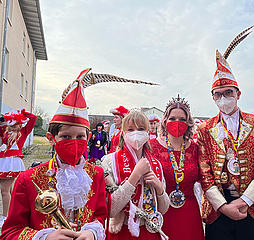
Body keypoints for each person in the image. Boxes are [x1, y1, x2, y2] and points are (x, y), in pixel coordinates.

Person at [0, 69, 107, 240]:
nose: (74, 141)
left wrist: (92, 232)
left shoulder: (97, 174)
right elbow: (9, 232)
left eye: (80, 136)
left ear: (88, 137)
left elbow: (101, 217)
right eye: (65, 137)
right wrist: (44, 238)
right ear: (51, 138)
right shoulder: (28, 179)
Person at [197, 25, 254, 240]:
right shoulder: (204, 129)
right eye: (218, 94)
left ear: (238, 94)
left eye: (228, 92)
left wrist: (245, 201)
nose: (224, 98)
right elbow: (204, 172)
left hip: (253, 207)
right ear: (213, 98)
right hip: (218, 209)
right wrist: (223, 206)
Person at [101, 111, 169, 239]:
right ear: (123, 133)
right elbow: (111, 209)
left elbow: (164, 209)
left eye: (141, 129)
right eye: (130, 129)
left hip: (149, 231)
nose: (136, 133)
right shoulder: (109, 161)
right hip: (121, 232)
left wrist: (159, 188)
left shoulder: (155, 164)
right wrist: (135, 176)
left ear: (148, 133)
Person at [149, 95, 204, 240]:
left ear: (188, 123)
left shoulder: (195, 148)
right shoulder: (151, 146)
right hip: (162, 211)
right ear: (165, 120)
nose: (177, 123)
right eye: (172, 118)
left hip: (190, 211)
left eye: (182, 119)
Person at [0, 109, 36, 227]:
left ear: (20, 124)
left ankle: (5, 218)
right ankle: (9, 215)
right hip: (4, 161)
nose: (14, 127)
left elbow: (33, 118)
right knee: (8, 190)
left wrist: (24, 114)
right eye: (12, 123)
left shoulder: (23, 132)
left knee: (4, 190)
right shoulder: (4, 132)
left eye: (17, 124)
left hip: (12, 162)